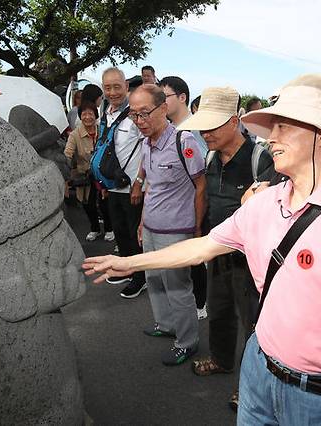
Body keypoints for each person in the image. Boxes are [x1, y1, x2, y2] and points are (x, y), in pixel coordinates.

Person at [85, 74, 321, 426]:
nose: (271, 138)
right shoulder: (264, 204)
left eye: (283, 127)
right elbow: (203, 247)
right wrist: (129, 262)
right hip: (258, 374)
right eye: (271, 128)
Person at [178, 85, 275, 411]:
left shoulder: (261, 157)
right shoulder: (209, 155)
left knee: (253, 323)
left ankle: (251, 385)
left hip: (251, 260)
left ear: (234, 122)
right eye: (201, 125)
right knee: (218, 311)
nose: (204, 133)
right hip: (217, 251)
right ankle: (221, 359)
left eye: (212, 126)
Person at [129, 84, 206, 365]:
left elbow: (200, 186)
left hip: (176, 232)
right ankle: (166, 325)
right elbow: (152, 187)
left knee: (177, 287)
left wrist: (197, 229)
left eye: (145, 113)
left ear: (163, 108)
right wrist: (142, 223)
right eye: (134, 115)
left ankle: (187, 342)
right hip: (151, 228)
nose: (140, 121)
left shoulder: (184, 142)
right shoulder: (146, 144)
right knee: (154, 280)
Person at [159, 76, 209, 320]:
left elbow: (202, 174)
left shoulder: (196, 129)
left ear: (182, 98)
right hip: (173, 210)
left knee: (195, 258)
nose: (160, 102)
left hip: (193, 207)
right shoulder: (166, 130)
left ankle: (200, 303)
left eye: (164, 96)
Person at [101, 67, 147, 298]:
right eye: (107, 87)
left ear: (127, 87)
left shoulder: (135, 113)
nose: (112, 92)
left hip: (132, 187)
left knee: (134, 233)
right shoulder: (105, 113)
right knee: (120, 232)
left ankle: (141, 277)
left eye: (117, 86)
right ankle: (127, 270)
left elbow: (146, 149)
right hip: (112, 185)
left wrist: (139, 183)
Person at [65, 101, 114, 242]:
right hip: (84, 175)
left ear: (96, 115)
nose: (87, 117)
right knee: (88, 204)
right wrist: (66, 165)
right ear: (80, 116)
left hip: (102, 174)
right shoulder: (75, 135)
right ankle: (95, 229)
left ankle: (109, 229)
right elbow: (68, 153)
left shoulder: (102, 130)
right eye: (84, 114)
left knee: (105, 203)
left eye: (90, 114)